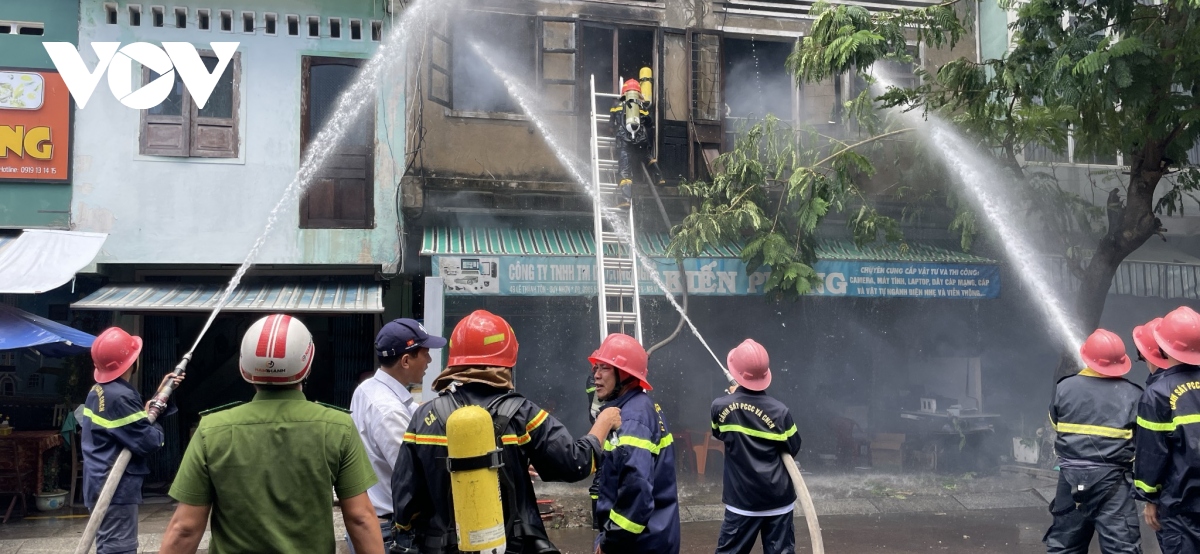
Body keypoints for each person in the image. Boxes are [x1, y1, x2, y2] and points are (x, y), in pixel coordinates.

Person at [391, 310, 621, 554]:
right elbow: (576, 464)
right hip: (511, 547)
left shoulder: (425, 416)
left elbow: (405, 501)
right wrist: (604, 421)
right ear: (507, 360)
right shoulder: (523, 414)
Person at [158, 314, 383, 554]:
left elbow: (185, 528)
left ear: (243, 367)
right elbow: (360, 518)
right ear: (307, 363)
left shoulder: (211, 429)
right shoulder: (338, 427)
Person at [347, 318, 447, 553]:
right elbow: (417, 473)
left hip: (376, 522)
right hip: (388, 531)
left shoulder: (368, 389)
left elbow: (417, 414)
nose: (430, 360)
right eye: (425, 354)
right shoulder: (388, 410)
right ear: (405, 360)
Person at [82, 327, 184, 554]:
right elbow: (149, 441)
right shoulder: (120, 397)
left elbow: (132, 427)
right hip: (115, 489)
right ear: (131, 362)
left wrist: (159, 398)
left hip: (99, 482)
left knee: (110, 546)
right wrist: (153, 417)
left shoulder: (99, 390)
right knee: (119, 549)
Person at [1043, 328, 1143, 554]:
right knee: (1122, 548)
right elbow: (1142, 441)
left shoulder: (1064, 388)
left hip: (1070, 480)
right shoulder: (1134, 394)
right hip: (1114, 482)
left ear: (1087, 357)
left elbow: (1055, 424)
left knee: (1065, 547)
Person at [590, 332, 680, 554]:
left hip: (638, 544)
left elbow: (636, 493)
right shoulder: (639, 407)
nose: (596, 376)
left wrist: (610, 541)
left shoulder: (632, 419)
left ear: (625, 374)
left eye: (605, 368)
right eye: (596, 368)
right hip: (654, 537)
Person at [710, 339, 803, 554]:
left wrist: (735, 399)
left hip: (742, 502)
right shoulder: (781, 412)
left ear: (738, 373)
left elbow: (719, 433)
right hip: (778, 501)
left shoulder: (720, 406)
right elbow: (793, 447)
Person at [1135, 306, 1200, 552]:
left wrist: (1149, 498)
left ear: (1163, 345)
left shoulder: (1157, 394)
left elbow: (1151, 453)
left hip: (1178, 504)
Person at [610, 77, 663, 209]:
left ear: (624, 93)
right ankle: (659, 177)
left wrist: (615, 133)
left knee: (625, 170)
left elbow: (611, 124)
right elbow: (649, 123)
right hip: (640, 139)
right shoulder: (641, 106)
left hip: (624, 139)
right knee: (647, 157)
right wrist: (644, 104)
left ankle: (626, 199)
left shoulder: (617, 105)